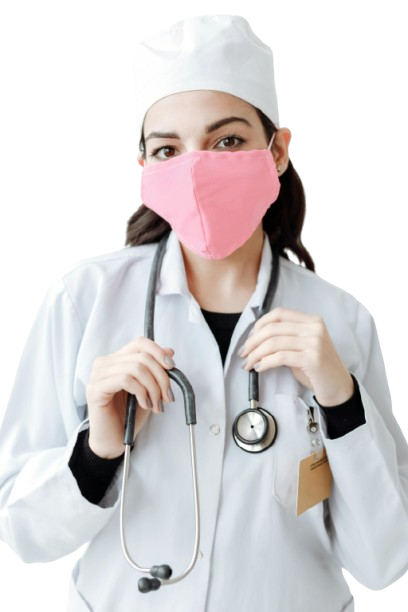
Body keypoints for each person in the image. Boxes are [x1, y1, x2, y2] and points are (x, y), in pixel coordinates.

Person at [1, 13, 407, 611]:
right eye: (168, 149)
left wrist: (341, 400)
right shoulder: (82, 298)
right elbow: (23, 534)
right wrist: (97, 449)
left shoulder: (341, 322)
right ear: (145, 168)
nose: (196, 170)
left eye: (227, 141)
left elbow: (383, 562)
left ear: (277, 151)